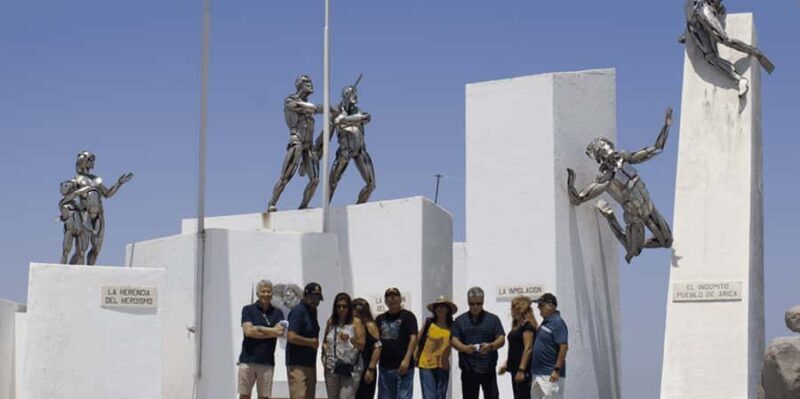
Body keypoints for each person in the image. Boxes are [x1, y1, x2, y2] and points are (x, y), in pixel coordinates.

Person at [451, 287, 505, 399]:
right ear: (468, 302)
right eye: (472, 304)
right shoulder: (460, 320)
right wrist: (464, 348)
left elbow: (501, 338)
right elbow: (454, 339)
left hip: (488, 368)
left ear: (483, 302)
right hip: (468, 369)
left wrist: (491, 346)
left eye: (478, 304)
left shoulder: (493, 319)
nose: (475, 307)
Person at [237, 280, 286, 399]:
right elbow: (248, 332)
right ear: (258, 294)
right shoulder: (248, 310)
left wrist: (258, 328)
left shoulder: (277, 313)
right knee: (244, 395)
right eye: (263, 291)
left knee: (264, 396)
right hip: (247, 361)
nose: (266, 294)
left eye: (269, 291)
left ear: (272, 294)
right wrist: (271, 331)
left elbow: (279, 332)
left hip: (266, 362)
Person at [375, 287, 418, 399]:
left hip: (403, 368)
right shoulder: (380, 319)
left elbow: (413, 338)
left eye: (395, 296)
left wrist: (407, 360)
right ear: (385, 300)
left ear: (400, 299)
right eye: (389, 296)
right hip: (385, 367)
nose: (392, 299)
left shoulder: (408, 316)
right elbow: (376, 342)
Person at [322, 293, 366, 399]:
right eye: (338, 306)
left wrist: (351, 339)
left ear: (349, 307)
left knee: (345, 397)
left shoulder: (356, 323)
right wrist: (323, 356)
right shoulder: (331, 322)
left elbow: (362, 346)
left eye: (344, 306)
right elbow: (325, 341)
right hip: (332, 367)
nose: (341, 309)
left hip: (349, 368)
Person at [286, 282, 324, 399]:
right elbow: (291, 336)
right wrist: (310, 342)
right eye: (313, 298)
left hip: (310, 363)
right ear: (305, 296)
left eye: (318, 299)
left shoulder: (313, 312)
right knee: (299, 396)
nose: (315, 302)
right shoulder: (299, 311)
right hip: (297, 363)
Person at [416, 295, 457, 399]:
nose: (440, 308)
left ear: (448, 309)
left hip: (443, 365)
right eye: (438, 306)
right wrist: (414, 355)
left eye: (443, 306)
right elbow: (418, 339)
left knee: (441, 396)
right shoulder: (429, 323)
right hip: (426, 364)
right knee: (429, 396)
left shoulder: (453, 326)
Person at [499, 296, 538, 399]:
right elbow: (515, 347)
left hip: (523, 370)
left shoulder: (527, 326)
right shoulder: (518, 326)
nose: (511, 310)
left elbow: (528, 348)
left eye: (513, 307)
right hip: (515, 369)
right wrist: (507, 363)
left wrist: (521, 370)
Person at [531, 293, 568, 399]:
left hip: (550, 375)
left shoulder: (558, 322)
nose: (538, 308)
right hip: (537, 373)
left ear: (551, 306)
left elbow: (563, 347)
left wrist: (556, 369)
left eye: (541, 305)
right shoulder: (545, 323)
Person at [353, 298, 382, 399]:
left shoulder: (370, 325)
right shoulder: (350, 326)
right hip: (352, 369)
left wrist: (371, 369)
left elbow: (378, 347)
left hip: (366, 368)